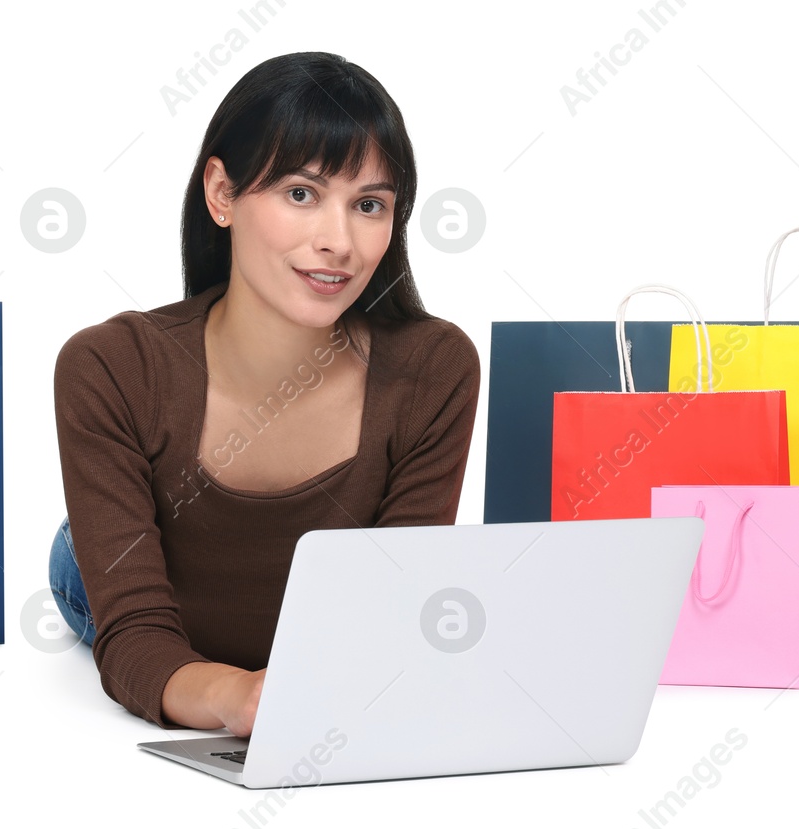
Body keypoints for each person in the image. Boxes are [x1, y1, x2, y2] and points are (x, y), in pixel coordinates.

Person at [50, 50, 481, 736]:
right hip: (130, 571)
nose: (338, 241)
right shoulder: (111, 364)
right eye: (301, 193)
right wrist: (240, 698)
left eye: (368, 205)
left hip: (294, 617)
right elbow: (135, 636)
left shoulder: (435, 368)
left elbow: (390, 615)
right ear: (221, 194)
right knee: (88, 558)